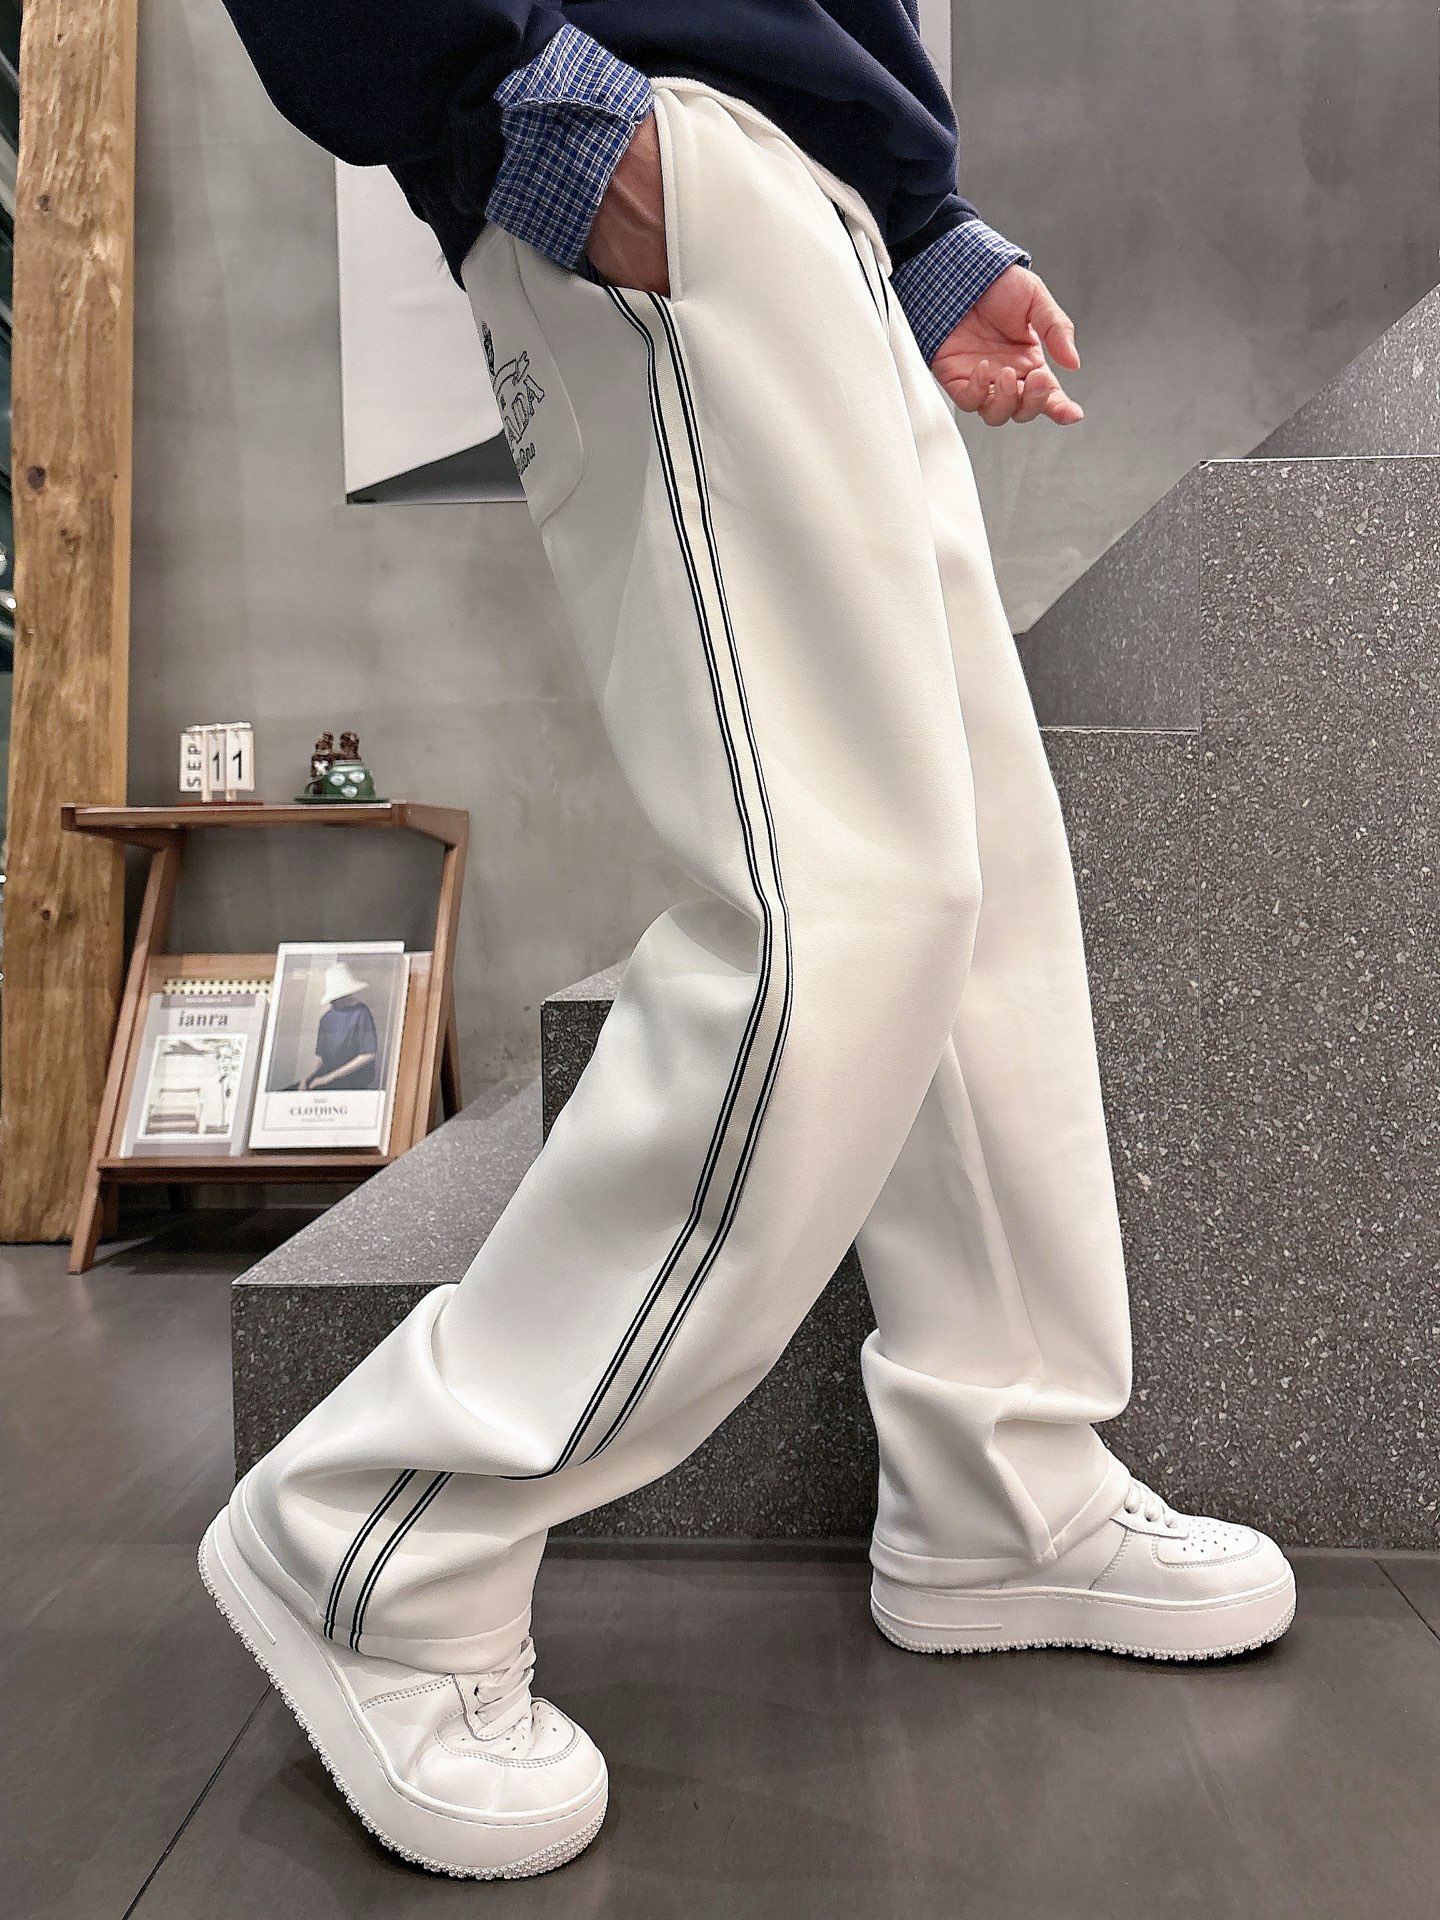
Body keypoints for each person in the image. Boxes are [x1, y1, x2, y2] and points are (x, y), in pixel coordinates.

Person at [201, 0, 1296, 1882]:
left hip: (797, 196)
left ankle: (1000, 1481)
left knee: (974, 894)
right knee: (838, 908)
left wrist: (914, 216)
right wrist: (515, 97)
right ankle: (376, 1534)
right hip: (638, 133)